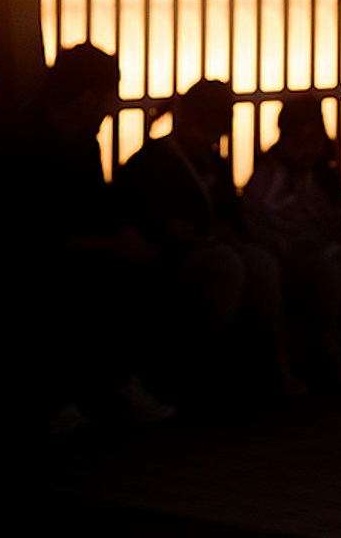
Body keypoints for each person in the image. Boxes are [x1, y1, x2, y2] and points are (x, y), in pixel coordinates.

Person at [0, 42, 169, 436]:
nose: (112, 109)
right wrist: (115, 247)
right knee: (60, 286)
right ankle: (72, 396)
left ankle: (101, 390)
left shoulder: (77, 142)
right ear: (87, 98)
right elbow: (30, 237)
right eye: (109, 98)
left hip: (37, 255)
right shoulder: (18, 145)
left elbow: (92, 212)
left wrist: (122, 235)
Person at [119, 77, 292, 399]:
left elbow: (231, 214)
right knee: (229, 266)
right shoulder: (151, 161)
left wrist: (225, 231)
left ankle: (269, 366)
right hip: (167, 259)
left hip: (212, 248)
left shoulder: (211, 159)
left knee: (261, 262)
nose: (210, 137)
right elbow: (139, 216)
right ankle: (209, 365)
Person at [243, 92, 341, 385]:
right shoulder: (271, 177)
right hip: (288, 257)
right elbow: (260, 219)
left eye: (314, 143)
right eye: (301, 143)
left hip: (325, 250)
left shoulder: (322, 177)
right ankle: (331, 355)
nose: (308, 151)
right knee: (331, 274)